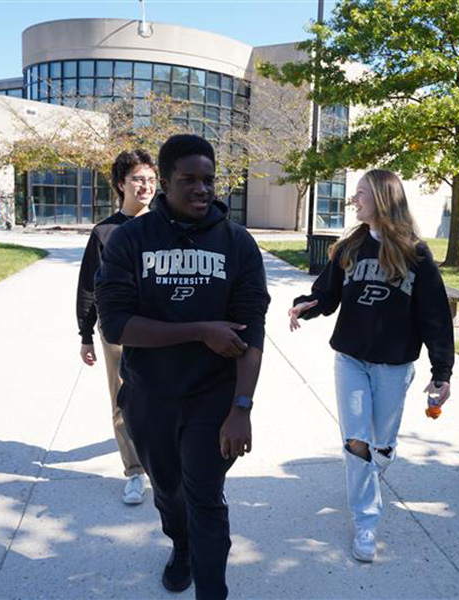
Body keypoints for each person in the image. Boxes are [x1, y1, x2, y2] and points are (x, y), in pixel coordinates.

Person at [95, 134, 270, 598]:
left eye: (208, 180)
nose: (201, 189)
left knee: (206, 498)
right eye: (189, 179)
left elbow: (252, 332)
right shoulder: (129, 240)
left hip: (212, 398)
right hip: (149, 397)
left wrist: (242, 407)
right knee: (168, 493)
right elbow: (115, 324)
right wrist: (201, 329)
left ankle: (212, 589)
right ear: (166, 181)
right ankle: (181, 546)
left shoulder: (238, 244)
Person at [289, 169, 454, 563]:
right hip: (351, 359)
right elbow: (325, 295)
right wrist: (306, 305)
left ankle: (369, 472)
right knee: (356, 441)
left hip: (394, 367)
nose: (354, 200)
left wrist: (442, 372)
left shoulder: (415, 254)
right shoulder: (349, 247)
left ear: (382, 198)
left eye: (361, 194)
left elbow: (435, 316)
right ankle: (366, 521)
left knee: (380, 447)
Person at [76, 149, 155, 505]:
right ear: (121, 183)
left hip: (161, 328)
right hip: (118, 331)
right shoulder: (105, 232)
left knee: (163, 396)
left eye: (152, 180)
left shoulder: (166, 227)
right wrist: (85, 334)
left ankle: (163, 461)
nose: (146, 186)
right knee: (123, 399)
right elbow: (89, 286)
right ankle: (135, 471)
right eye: (138, 178)